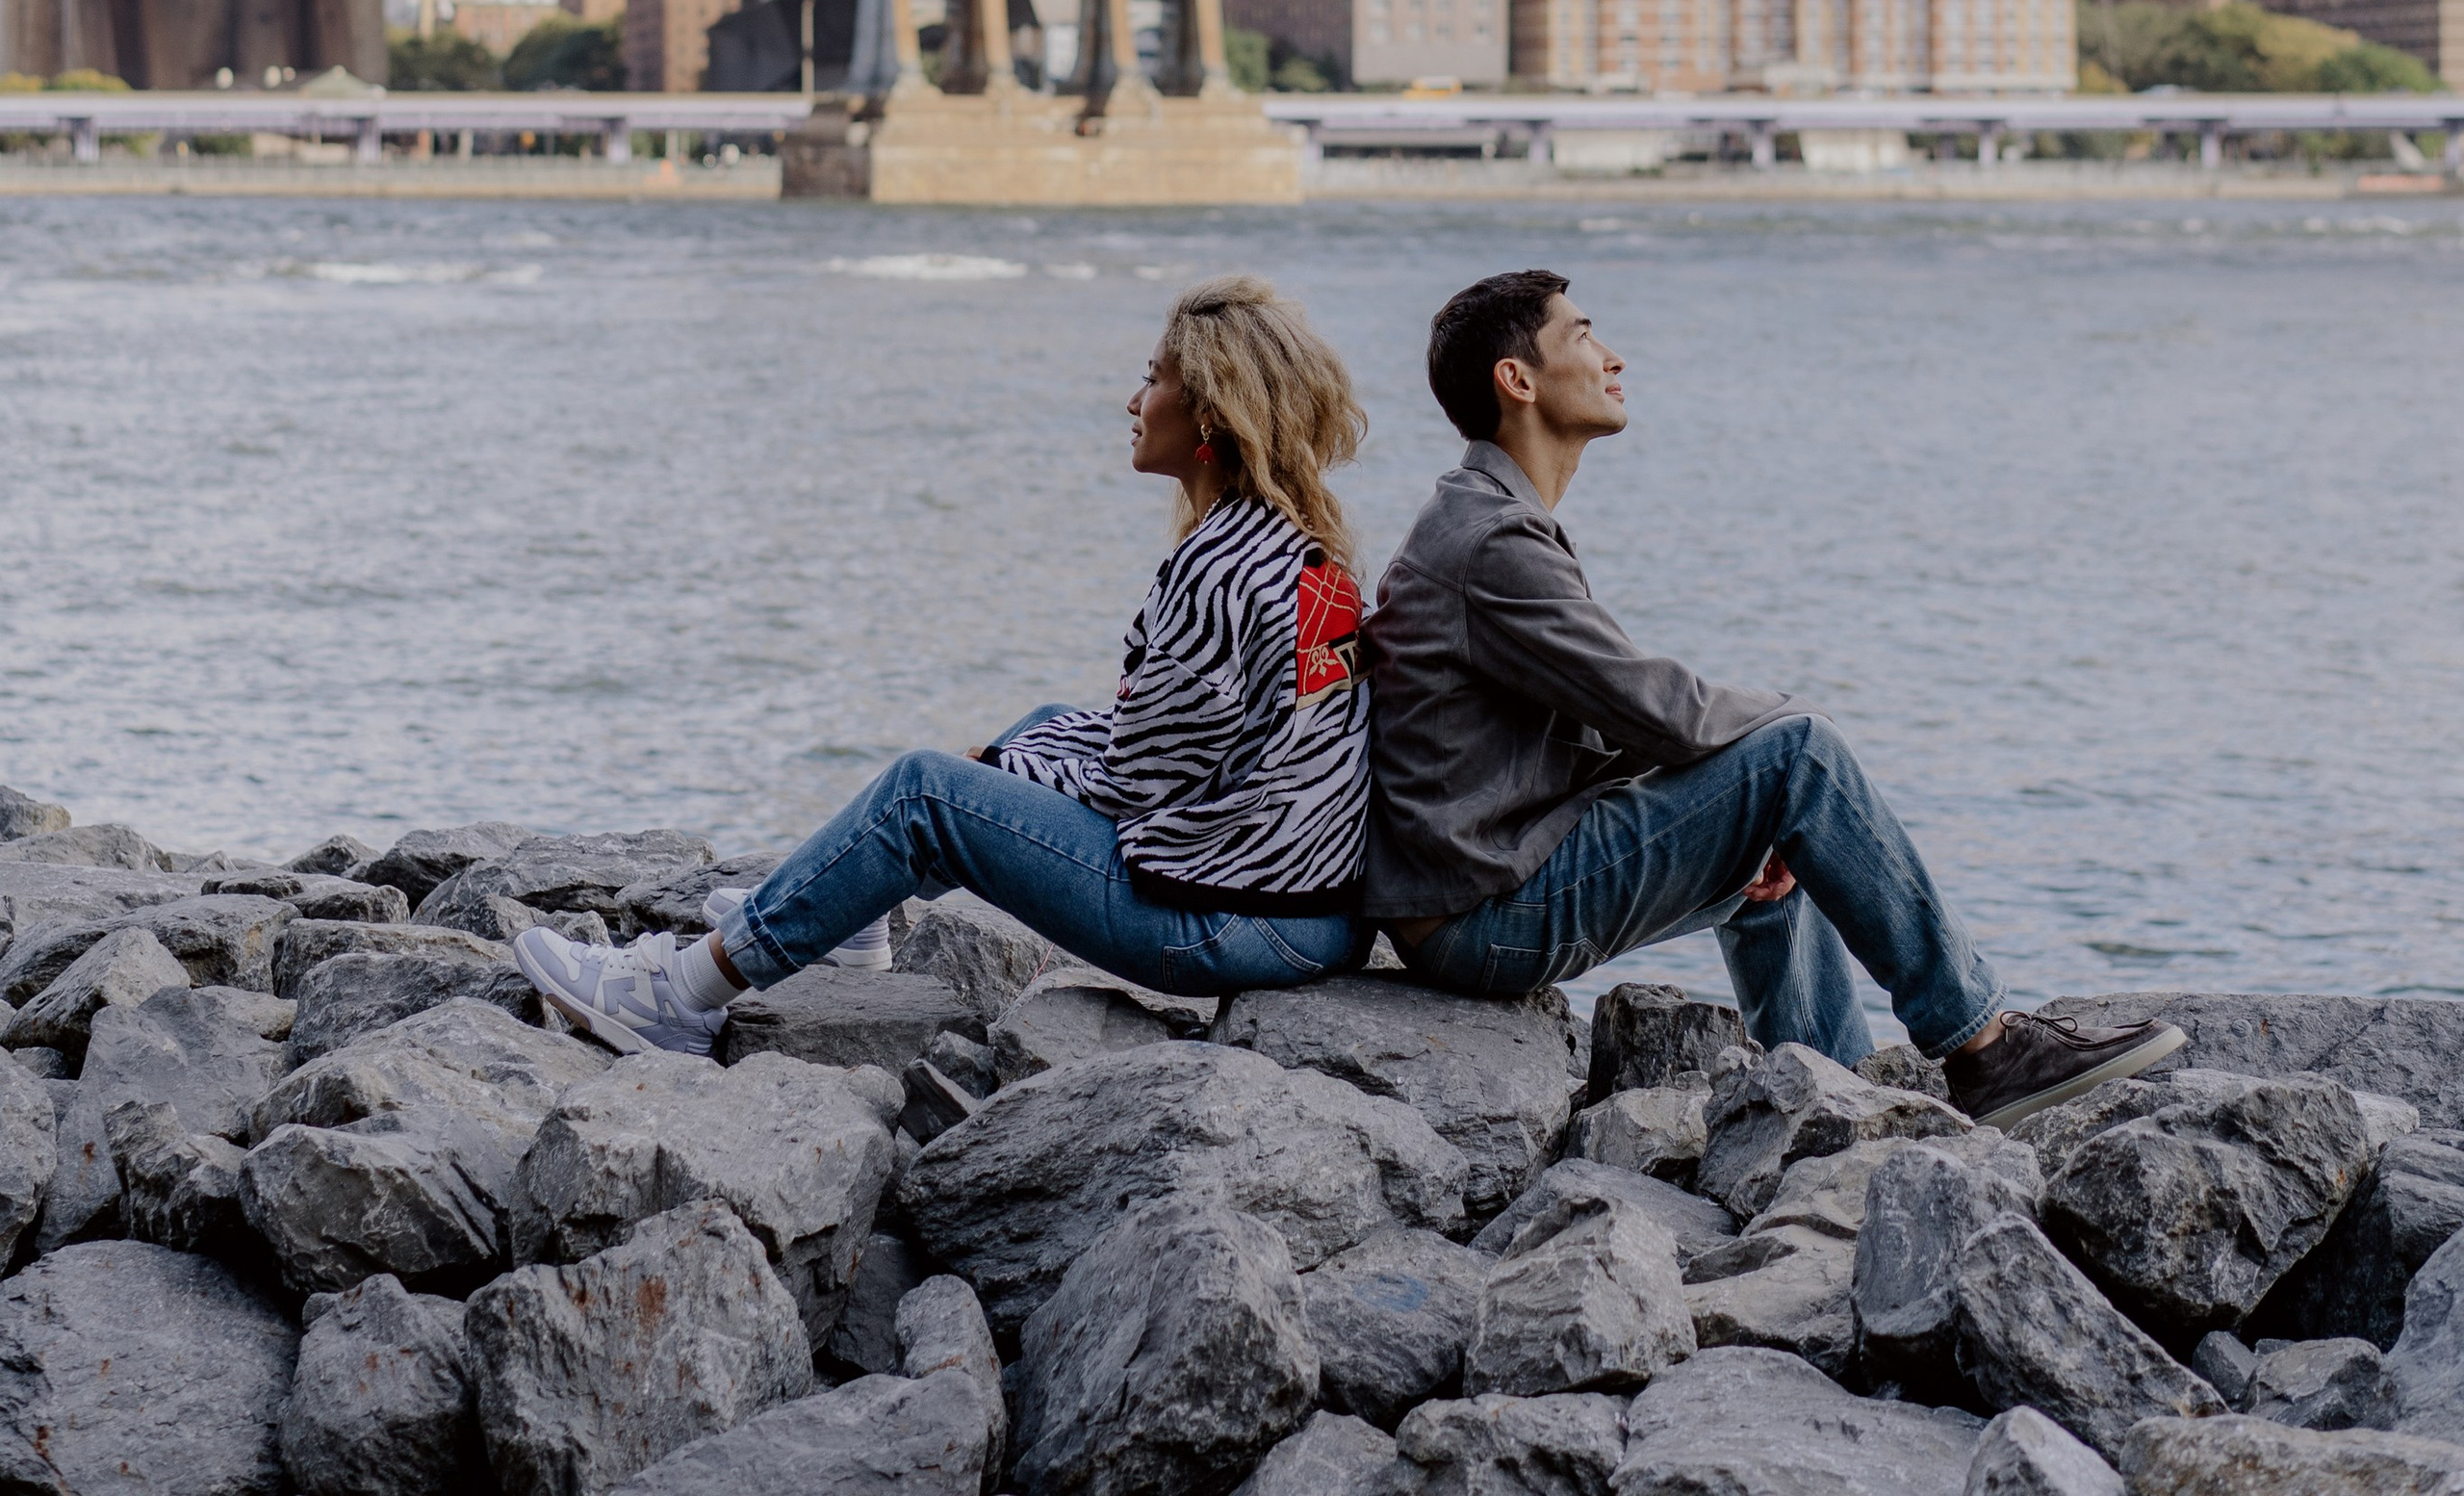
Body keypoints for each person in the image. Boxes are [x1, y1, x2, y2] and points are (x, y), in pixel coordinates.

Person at [1363, 271, 2185, 1132]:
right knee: (1799, 757)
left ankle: (1838, 1103)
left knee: (1777, 842)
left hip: (1474, 891)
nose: (1613, 358)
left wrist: (1760, 799)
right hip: (1482, 915)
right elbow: (1656, 710)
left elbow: (1612, 723)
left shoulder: (1484, 517)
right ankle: (1986, 1049)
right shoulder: (1493, 539)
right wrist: (1790, 731)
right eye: (1582, 338)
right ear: (1517, 380)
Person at [515, 274, 1375, 1056]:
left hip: (1234, 921)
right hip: (1305, 904)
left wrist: (995, 769)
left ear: (1212, 419)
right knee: (1041, 725)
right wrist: (1022, 755)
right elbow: (1188, 755)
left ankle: (679, 995)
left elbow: (1139, 789)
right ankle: (847, 909)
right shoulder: (1293, 548)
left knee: (925, 792)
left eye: (1154, 381)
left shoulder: (1218, 570)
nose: (1132, 400)